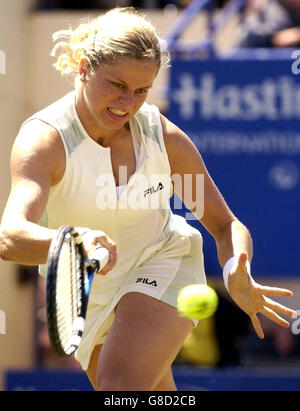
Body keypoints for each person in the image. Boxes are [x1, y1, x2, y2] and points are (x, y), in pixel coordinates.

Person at [0, 7, 296, 391]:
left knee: (119, 388)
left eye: (141, 90)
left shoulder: (163, 141)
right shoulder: (47, 142)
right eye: (117, 84)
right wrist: (74, 244)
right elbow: (11, 238)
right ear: (86, 67)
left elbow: (223, 225)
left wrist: (235, 269)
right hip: (86, 292)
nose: (128, 102)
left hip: (161, 262)